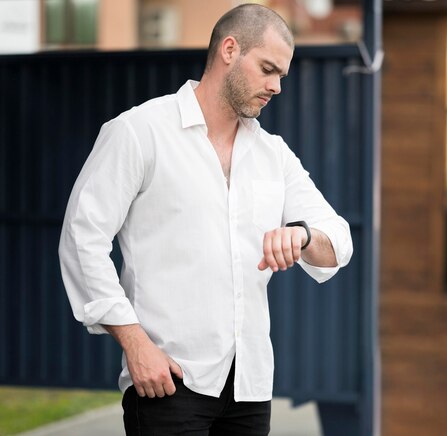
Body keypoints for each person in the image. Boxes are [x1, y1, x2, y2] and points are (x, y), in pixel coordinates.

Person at [58, 3, 353, 435]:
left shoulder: (274, 154)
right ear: (229, 50)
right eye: (268, 69)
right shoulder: (140, 131)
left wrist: (304, 236)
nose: (276, 87)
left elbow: (338, 241)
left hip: (250, 388)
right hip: (169, 381)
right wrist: (136, 345)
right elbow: (82, 238)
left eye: (281, 76)